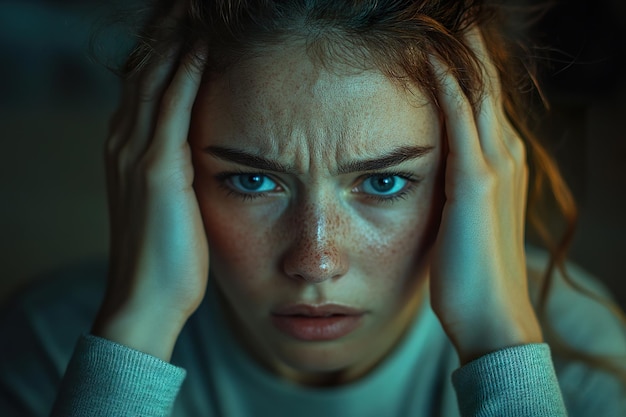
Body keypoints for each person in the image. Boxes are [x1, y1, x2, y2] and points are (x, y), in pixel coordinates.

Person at [1, 0, 625, 416]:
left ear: (482, 178)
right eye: (250, 180)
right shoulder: (53, 356)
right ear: (153, 174)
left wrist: (501, 349)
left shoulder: (576, 368)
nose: (315, 261)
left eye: (384, 182)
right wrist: (133, 336)